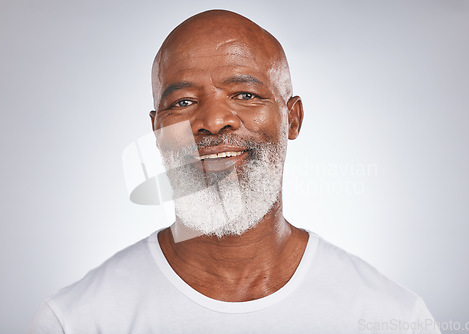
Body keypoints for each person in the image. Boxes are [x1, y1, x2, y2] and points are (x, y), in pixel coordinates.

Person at [28, 10, 441, 333]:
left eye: (245, 94)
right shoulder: (77, 321)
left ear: (292, 118)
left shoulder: (392, 318)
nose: (213, 120)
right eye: (184, 102)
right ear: (157, 130)